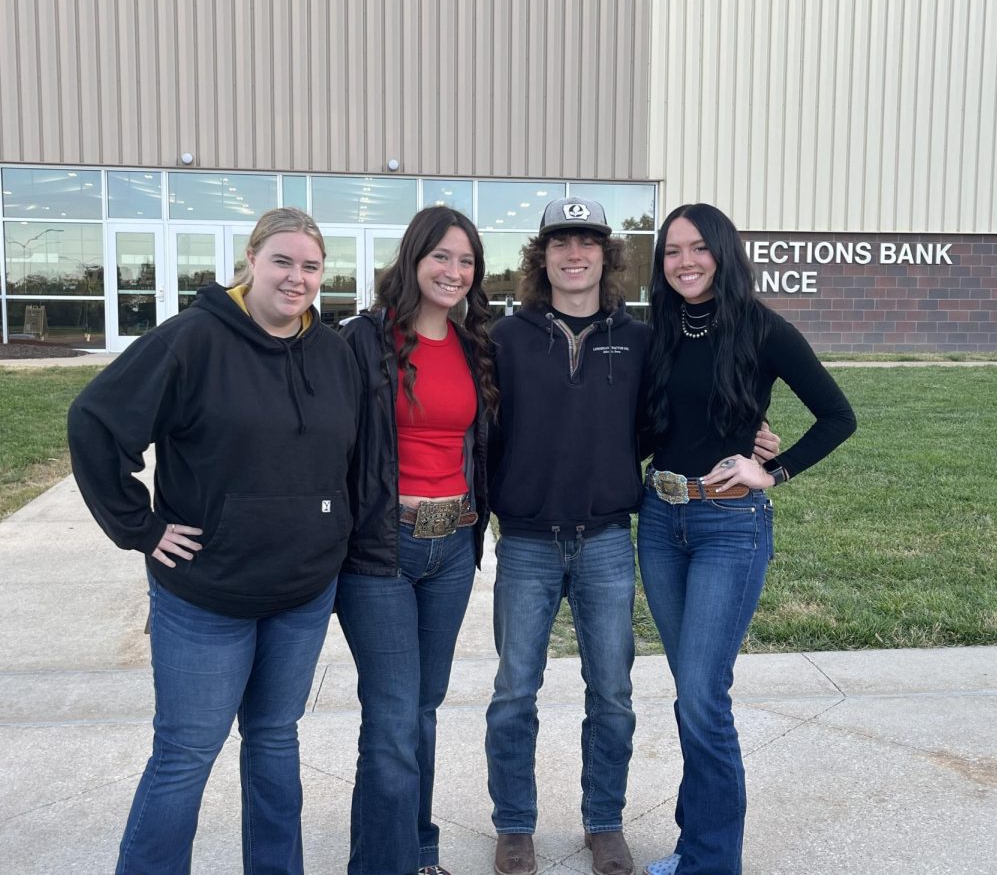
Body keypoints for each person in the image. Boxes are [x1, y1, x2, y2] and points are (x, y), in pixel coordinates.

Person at [67, 207, 361, 875]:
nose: (296, 277)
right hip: (206, 593)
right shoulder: (192, 339)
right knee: (186, 753)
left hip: (303, 592)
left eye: (310, 266)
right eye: (282, 261)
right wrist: (139, 528)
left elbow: (350, 454)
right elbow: (94, 422)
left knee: (274, 740)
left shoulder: (332, 351)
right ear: (252, 260)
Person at [636, 204, 856, 875]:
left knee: (703, 696)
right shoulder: (660, 332)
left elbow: (837, 416)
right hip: (660, 521)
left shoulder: (763, 329)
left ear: (724, 253)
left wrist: (772, 468)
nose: (685, 262)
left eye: (698, 248)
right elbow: (649, 433)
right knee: (690, 693)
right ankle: (696, 843)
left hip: (730, 527)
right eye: (672, 251)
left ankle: (711, 862)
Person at [483, 197, 649, 875]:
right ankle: (515, 827)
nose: (574, 253)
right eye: (561, 241)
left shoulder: (637, 338)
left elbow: (670, 420)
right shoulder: (505, 337)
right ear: (541, 255)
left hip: (608, 537)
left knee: (611, 691)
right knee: (514, 692)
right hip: (525, 541)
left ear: (605, 256)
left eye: (587, 241)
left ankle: (603, 823)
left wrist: (752, 437)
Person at [337, 205, 498, 875]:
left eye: (466, 261)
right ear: (413, 259)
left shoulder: (476, 347)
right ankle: (381, 864)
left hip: (453, 548)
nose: (454, 272)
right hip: (382, 550)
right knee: (393, 717)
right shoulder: (363, 341)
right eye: (442, 257)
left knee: (421, 712)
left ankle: (418, 852)